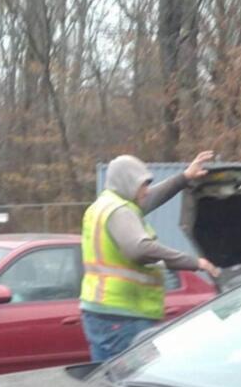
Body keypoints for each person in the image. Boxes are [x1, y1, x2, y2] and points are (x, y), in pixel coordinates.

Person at [80, 150, 220, 361]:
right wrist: (194, 262)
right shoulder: (120, 212)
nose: (146, 190)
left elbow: (151, 197)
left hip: (102, 310)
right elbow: (140, 249)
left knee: (105, 380)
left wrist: (184, 178)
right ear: (127, 184)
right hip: (122, 314)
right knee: (130, 382)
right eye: (142, 185)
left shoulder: (106, 205)